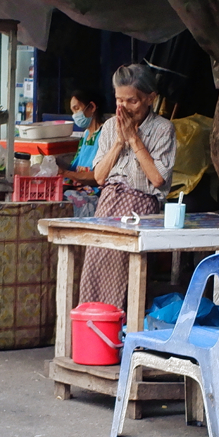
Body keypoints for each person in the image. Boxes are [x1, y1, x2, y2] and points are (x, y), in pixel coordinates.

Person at [79, 64, 176, 310]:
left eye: (132, 101)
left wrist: (134, 139)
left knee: (128, 271)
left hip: (140, 207)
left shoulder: (163, 129)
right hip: (108, 204)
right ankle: (94, 323)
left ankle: (123, 326)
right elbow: (99, 176)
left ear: (150, 98)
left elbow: (158, 179)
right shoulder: (110, 127)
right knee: (95, 265)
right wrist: (119, 142)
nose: (123, 107)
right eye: (119, 100)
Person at [60, 89, 105, 218]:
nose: (74, 115)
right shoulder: (85, 135)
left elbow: (98, 177)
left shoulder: (105, 134)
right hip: (78, 189)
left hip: (94, 194)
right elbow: (75, 167)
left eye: (77, 109)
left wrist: (65, 173)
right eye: (72, 111)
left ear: (92, 107)